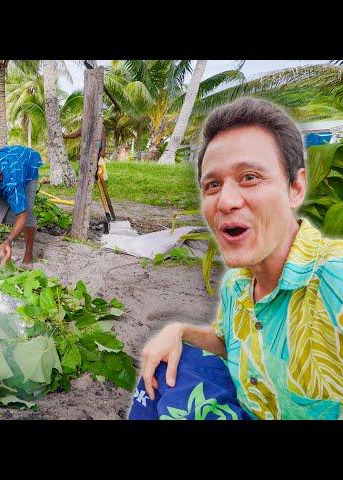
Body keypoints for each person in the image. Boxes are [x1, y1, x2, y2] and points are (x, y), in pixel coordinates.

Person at [131, 97, 343, 420]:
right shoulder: (238, 283)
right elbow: (228, 338)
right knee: (165, 366)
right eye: (213, 185)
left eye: (250, 177)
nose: (226, 201)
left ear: (296, 188)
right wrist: (179, 330)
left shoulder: (334, 282)